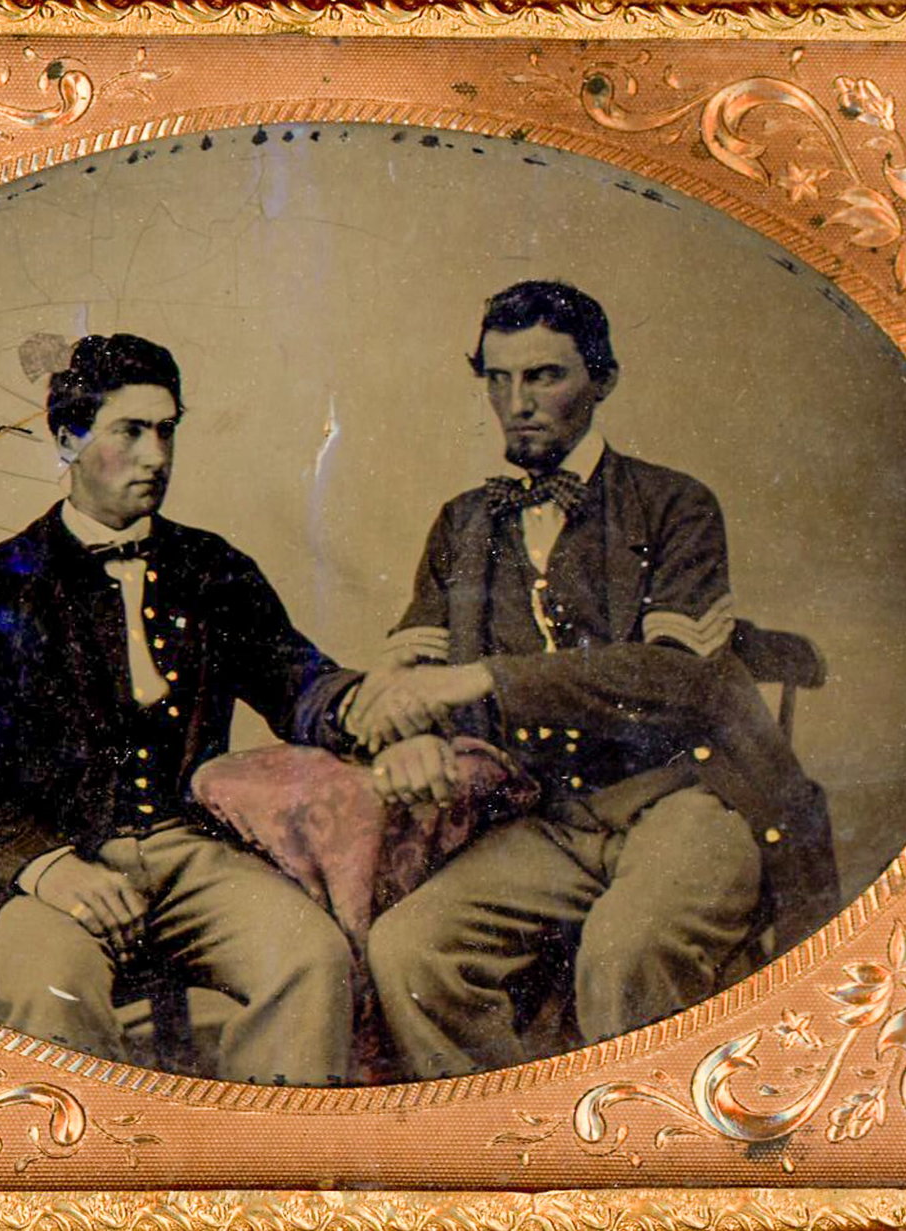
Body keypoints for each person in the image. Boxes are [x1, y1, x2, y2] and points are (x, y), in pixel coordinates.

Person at [350, 281, 835, 1079]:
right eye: (498, 379)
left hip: (688, 801)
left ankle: (637, 1170)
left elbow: (677, 678)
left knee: (623, 953)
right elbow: (412, 676)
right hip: (548, 820)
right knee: (408, 950)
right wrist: (409, 738)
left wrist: (483, 679)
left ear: (602, 379)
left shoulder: (675, 503)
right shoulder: (463, 522)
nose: (519, 403)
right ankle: (511, 1146)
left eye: (545, 376)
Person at [0, 333, 358, 1086]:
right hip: (44, 865)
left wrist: (373, 702)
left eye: (167, 430)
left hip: (190, 852)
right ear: (69, 439)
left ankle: (270, 1181)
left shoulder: (211, 567)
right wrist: (49, 868)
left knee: (312, 960)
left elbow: (296, 681)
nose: (156, 456)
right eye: (130, 431)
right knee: (54, 989)